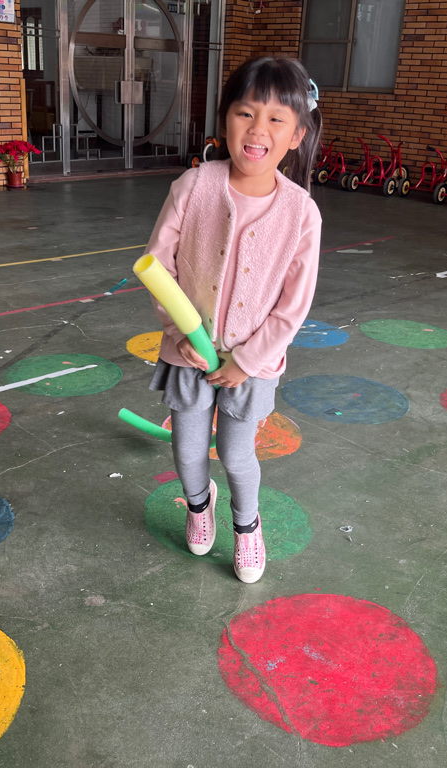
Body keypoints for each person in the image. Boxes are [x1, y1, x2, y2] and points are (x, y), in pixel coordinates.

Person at [142, 57, 323, 584]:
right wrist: (179, 332)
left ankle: (247, 526)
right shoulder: (193, 186)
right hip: (189, 354)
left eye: (275, 119)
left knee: (237, 455)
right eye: (246, 113)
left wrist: (247, 361)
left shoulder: (301, 213)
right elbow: (159, 266)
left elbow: (293, 305)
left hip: (253, 364)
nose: (257, 129)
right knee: (187, 450)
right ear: (225, 119)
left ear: (297, 135)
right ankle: (200, 506)